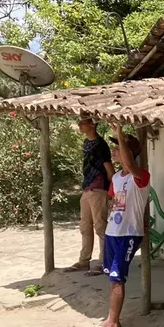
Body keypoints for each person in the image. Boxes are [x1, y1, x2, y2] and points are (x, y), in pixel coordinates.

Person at [89, 124, 151, 327]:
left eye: (118, 147)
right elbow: (115, 201)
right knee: (112, 278)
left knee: (117, 279)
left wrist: (119, 135)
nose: (114, 151)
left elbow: (129, 165)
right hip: (113, 233)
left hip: (128, 234)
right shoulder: (116, 178)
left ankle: (114, 323)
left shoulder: (141, 175)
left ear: (130, 153)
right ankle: (110, 319)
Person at [65, 116, 115, 273]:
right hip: (88, 188)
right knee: (85, 226)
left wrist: (110, 190)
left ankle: (103, 262)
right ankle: (84, 260)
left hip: (98, 188)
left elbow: (109, 169)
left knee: (100, 226)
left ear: (92, 125)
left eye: (83, 122)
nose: (79, 125)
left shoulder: (100, 145)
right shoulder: (87, 143)